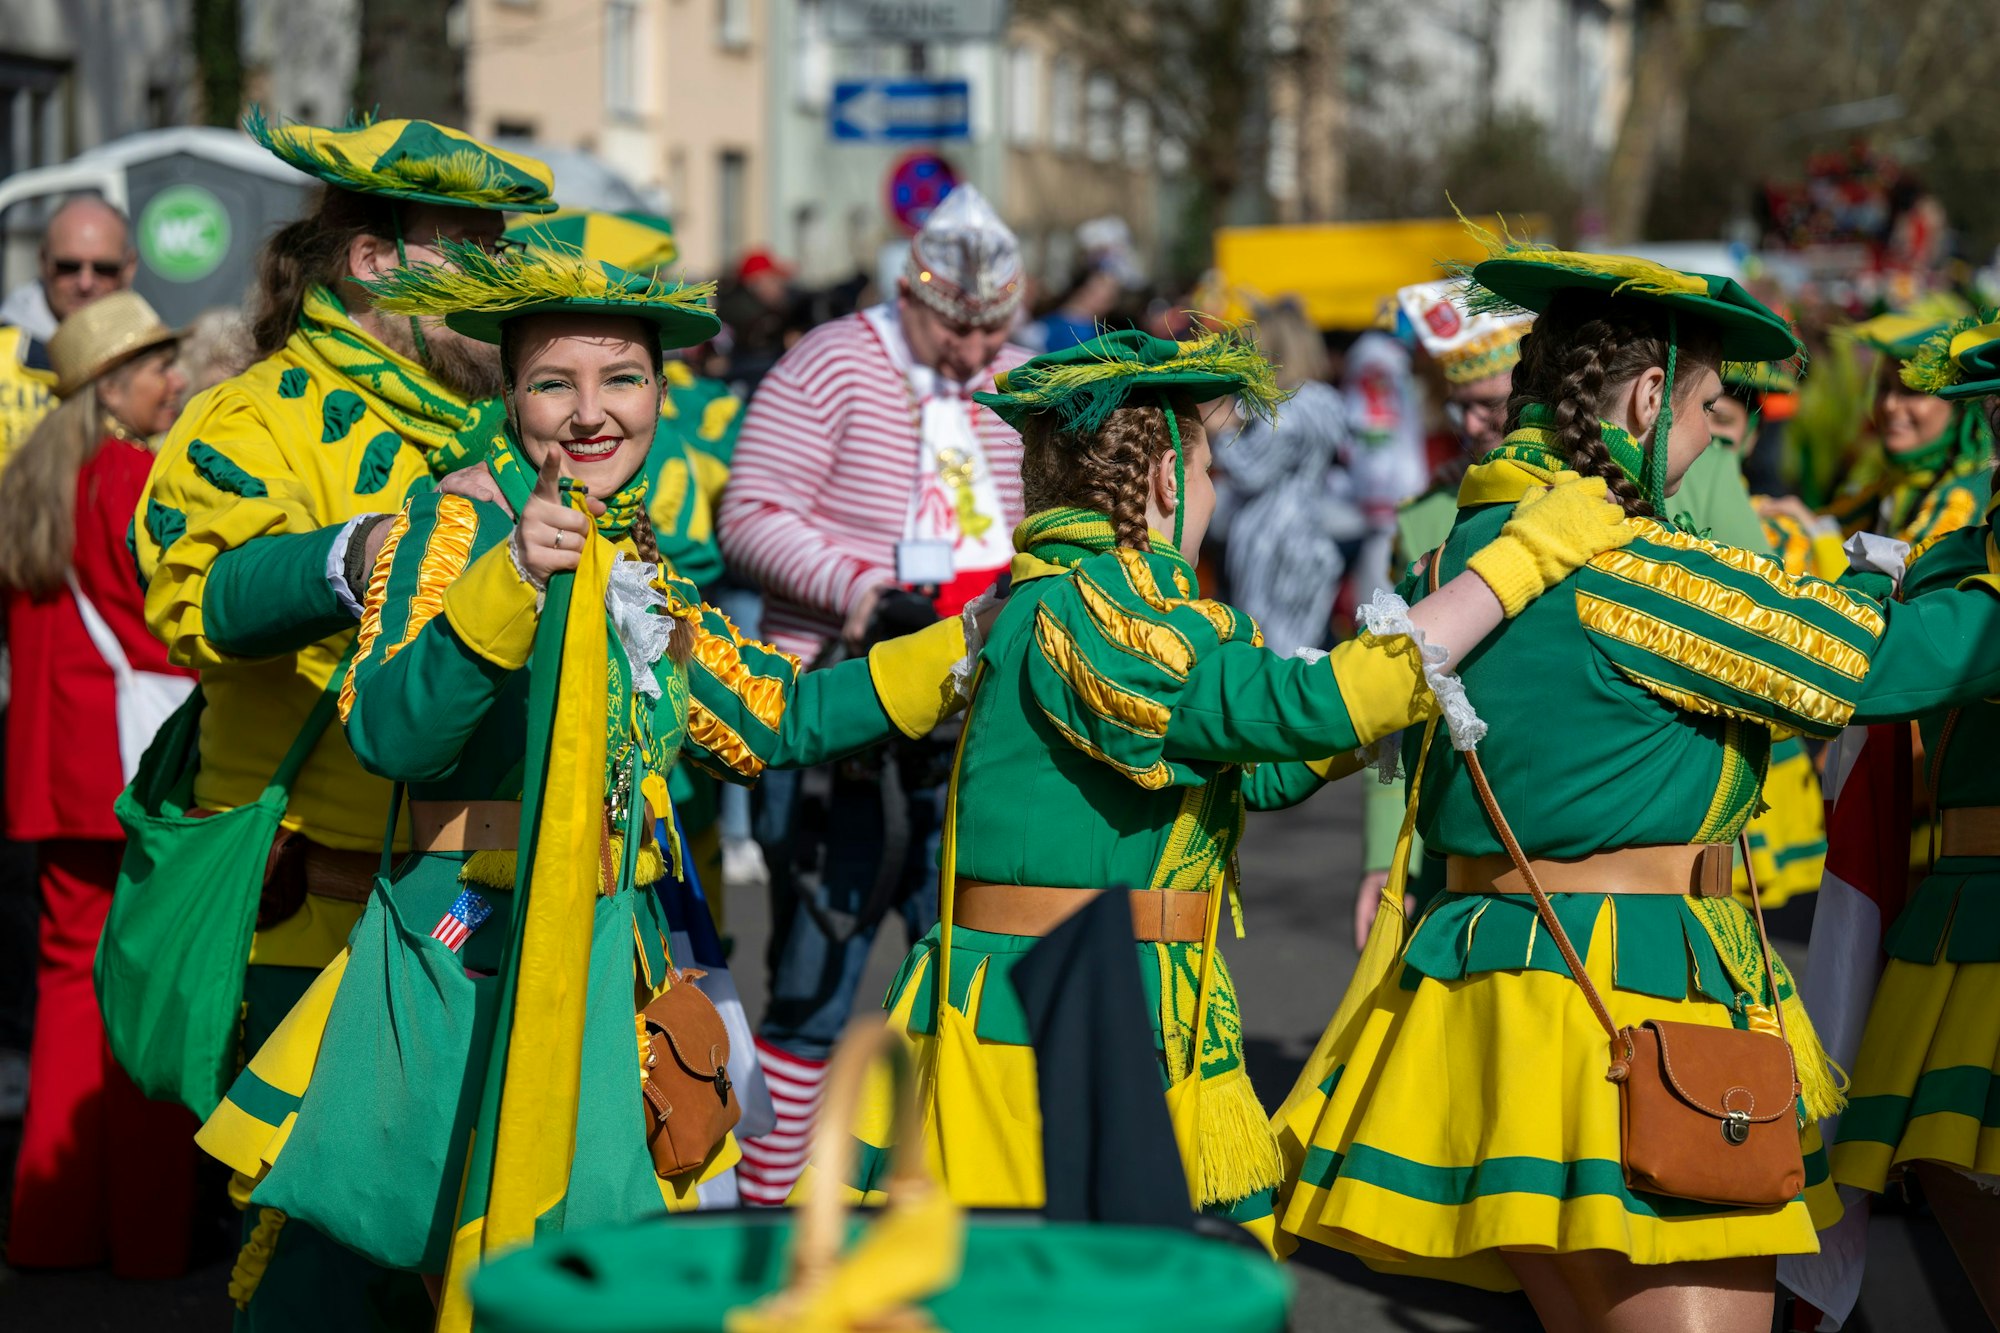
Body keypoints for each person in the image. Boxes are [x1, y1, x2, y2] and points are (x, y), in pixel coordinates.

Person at [193, 240, 982, 1311]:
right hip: (465, 957)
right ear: (512, 396)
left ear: (661, 393)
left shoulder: (640, 557)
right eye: (553, 384)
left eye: (621, 380)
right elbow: (392, 733)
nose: (589, 412)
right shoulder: (457, 524)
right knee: (370, 1278)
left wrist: (959, 643)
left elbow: (775, 714)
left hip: (615, 958)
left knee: (576, 1282)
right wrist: (509, 577)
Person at [1272, 246, 2000, 1331]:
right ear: (1650, 396)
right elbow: (1873, 663)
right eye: (1710, 405)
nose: (1717, 434)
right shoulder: (1626, 566)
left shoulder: (1447, 559)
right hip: (1630, 993)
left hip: (1489, 996)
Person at [810, 326, 1634, 1250]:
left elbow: (1268, 762)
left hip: (1117, 998)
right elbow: (1309, 709)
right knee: (1074, 1295)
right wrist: (1514, 565)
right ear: (1164, 481)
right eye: (1208, 473)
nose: (1214, 495)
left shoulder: (1090, 600)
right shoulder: (1104, 607)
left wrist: (1414, 663)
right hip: (1047, 1017)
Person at [126, 110, 557, 1332]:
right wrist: (367, 548)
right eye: (476, 250)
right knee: (318, 1266)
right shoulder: (250, 418)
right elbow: (189, 598)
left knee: (446, 1258)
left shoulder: (492, 425)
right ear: (375, 262)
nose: (507, 282)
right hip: (318, 922)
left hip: (471, 906)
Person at [717, 182, 1030, 1205]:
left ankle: (919, 1206)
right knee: (816, 974)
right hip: (841, 715)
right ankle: (766, 1208)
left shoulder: (1011, 378)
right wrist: (859, 593)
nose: (976, 352)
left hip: (974, 727)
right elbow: (749, 515)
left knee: (960, 981)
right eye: (957, 326)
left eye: (995, 329)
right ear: (910, 293)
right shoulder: (830, 363)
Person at [0, 291, 196, 1278]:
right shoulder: (132, 477)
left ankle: (47, 1224)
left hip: (53, 769)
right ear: (112, 387)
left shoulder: (33, 475)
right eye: (159, 364)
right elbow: (174, 621)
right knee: (148, 1001)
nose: (177, 380)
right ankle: (152, 1236)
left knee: (69, 994)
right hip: (131, 771)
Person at [1827, 318, 2000, 1324]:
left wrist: (1854, 589)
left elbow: (1865, 665)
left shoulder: (1955, 572)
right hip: (1960, 918)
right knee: (1944, 1168)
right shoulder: (1949, 558)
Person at [1217, 300, 1356, 655]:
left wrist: (1220, 432)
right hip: (1309, 529)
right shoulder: (1326, 400)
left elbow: (1251, 473)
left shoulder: (1288, 409)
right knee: (1302, 648)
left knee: (1271, 651)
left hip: (1272, 540)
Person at [1826, 312, 1992, 547]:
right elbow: (1828, 523)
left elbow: (1902, 574)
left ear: (1959, 406)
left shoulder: (1964, 499)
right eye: (1883, 386)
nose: (1889, 404)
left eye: (1912, 390)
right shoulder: (1893, 485)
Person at [0, 195, 138, 467]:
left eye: (104, 269)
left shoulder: (157, 366)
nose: (85, 283)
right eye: (68, 267)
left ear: (129, 268)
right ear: (42, 260)